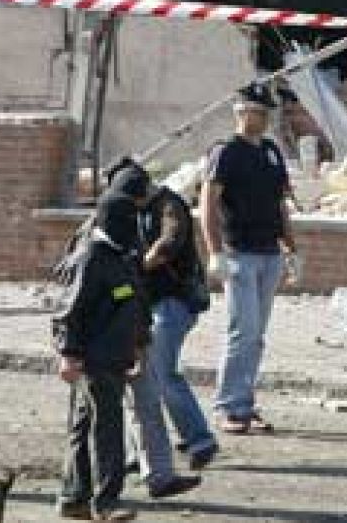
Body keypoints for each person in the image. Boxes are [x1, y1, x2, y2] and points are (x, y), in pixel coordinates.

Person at [201, 82, 298, 435]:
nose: (261, 118)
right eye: (255, 111)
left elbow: (280, 204)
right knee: (242, 331)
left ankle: (244, 400)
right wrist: (215, 251)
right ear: (240, 113)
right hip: (239, 252)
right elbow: (208, 203)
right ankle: (229, 405)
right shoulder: (226, 152)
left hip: (269, 252)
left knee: (256, 335)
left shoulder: (270, 152)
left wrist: (292, 247)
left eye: (264, 112)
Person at [106, 161, 206, 499]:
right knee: (143, 384)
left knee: (159, 375)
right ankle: (139, 456)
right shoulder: (133, 212)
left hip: (171, 302)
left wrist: (136, 268)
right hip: (147, 305)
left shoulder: (169, 206)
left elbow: (168, 244)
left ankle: (199, 439)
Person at [55, 192, 148, 522]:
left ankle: (74, 498)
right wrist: (68, 354)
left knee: (84, 425)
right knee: (107, 428)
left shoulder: (121, 255)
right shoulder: (91, 257)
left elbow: (134, 302)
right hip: (95, 359)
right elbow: (69, 311)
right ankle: (105, 501)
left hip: (114, 355)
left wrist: (139, 344)